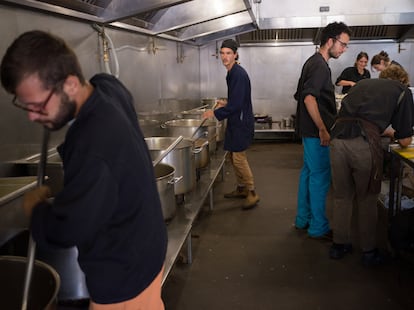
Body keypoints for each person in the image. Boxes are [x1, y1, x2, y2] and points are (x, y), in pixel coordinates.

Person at [0, 30, 167, 309]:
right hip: (146, 247)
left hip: (122, 275)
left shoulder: (93, 147)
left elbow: (68, 229)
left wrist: (37, 209)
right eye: (25, 105)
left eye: (38, 105)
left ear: (71, 84)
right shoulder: (106, 87)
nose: (31, 116)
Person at [328, 65, 414, 266]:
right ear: (403, 80)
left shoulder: (363, 84)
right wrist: (397, 134)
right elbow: (404, 140)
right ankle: (369, 252)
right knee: (367, 198)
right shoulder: (402, 92)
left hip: (337, 141)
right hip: (363, 146)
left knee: (342, 196)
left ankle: (339, 246)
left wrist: (383, 130)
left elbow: (356, 117)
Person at [293, 22, 351, 239]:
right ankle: (318, 227)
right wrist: (323, 129)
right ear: (330, 41)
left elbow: (301, 95)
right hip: (317, 134)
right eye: (343, 44)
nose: (344, 49)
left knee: (308, 174)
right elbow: (308, 98)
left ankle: (303, 219)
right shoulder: (319, 65)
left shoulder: (312, 62)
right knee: (319, 177)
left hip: (309, 132)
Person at [202, 39, 259, 210]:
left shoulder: (238, 74)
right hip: (237, 120)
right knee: (234, 156)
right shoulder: (232, 72)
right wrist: (225, 102)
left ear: (235, 55)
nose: (225, 57)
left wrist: (214, 112)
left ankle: (252, 192)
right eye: (222, 53)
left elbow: (237, 105)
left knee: (239, 158)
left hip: (241, 122)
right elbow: (236, 100)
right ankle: (241, 188)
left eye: (229, 53)